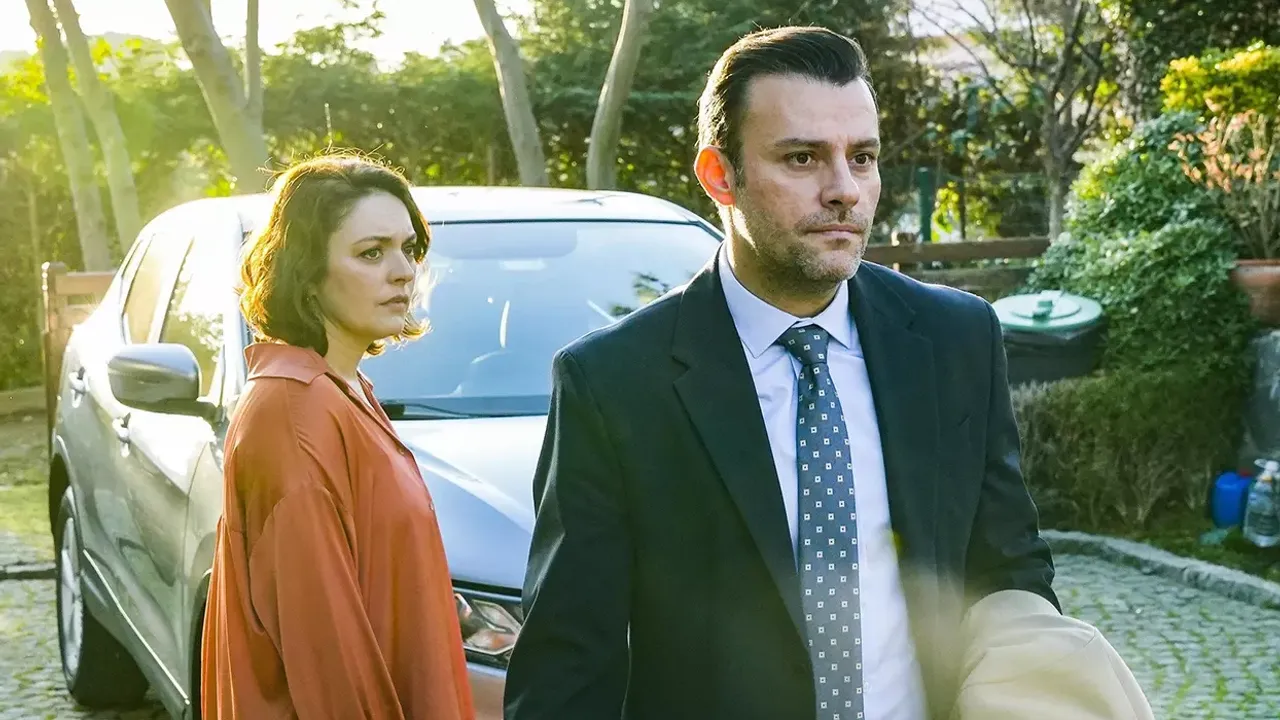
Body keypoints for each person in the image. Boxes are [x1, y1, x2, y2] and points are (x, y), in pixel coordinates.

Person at [504, 26, 1060, 720]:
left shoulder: (956, 339)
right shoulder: (614, 382)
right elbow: (567, 665)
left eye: (863, 158)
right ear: (720, 175)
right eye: (802, 158)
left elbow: (1010, 569)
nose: (845, 191)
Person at [200, 153, 475, 720]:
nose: (403, 271)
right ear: (306, 272)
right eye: (371, 252)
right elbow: (326, 658)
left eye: (408, 249)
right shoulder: (296, 415)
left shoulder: (343, 391)